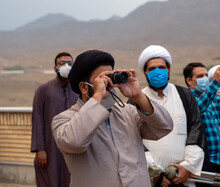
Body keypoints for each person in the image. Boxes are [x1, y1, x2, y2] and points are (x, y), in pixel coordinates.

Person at [51, 49, 174, 187]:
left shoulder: (128, 112)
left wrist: (138, 95)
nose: (109, 83)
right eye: (102, 80)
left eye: (110, 77)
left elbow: (164, 127)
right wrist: (98, 96)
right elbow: (74, 142)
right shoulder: (64, 120)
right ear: (84, 88)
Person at [135, 45, 205, 187]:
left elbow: (196, 130)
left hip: (183, 177)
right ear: (145, 73)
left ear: (169, 70)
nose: (157, 72)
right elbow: (134, 141)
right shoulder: (136, 100)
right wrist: (154, 172)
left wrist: (188, 167)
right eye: (152, 69)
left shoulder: (185, 96)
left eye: (161, 67)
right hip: (151, 180)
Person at [183, 62, 220, 186]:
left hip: (217, 159)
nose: (205, 78)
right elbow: (198, 108)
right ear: (189, 81)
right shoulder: (186, 98)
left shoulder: (213, 99)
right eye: (200, 76)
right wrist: (215, 83)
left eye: (206, 75)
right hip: (201, 160)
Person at [31, 52, 78, 187]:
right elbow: (37, 120)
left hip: (72, 147)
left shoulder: (78, 90)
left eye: (69, 63)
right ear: (55, 68)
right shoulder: (43, 90)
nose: (66, 66)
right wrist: (40, 149)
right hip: (49, 149)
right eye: (62, 64)